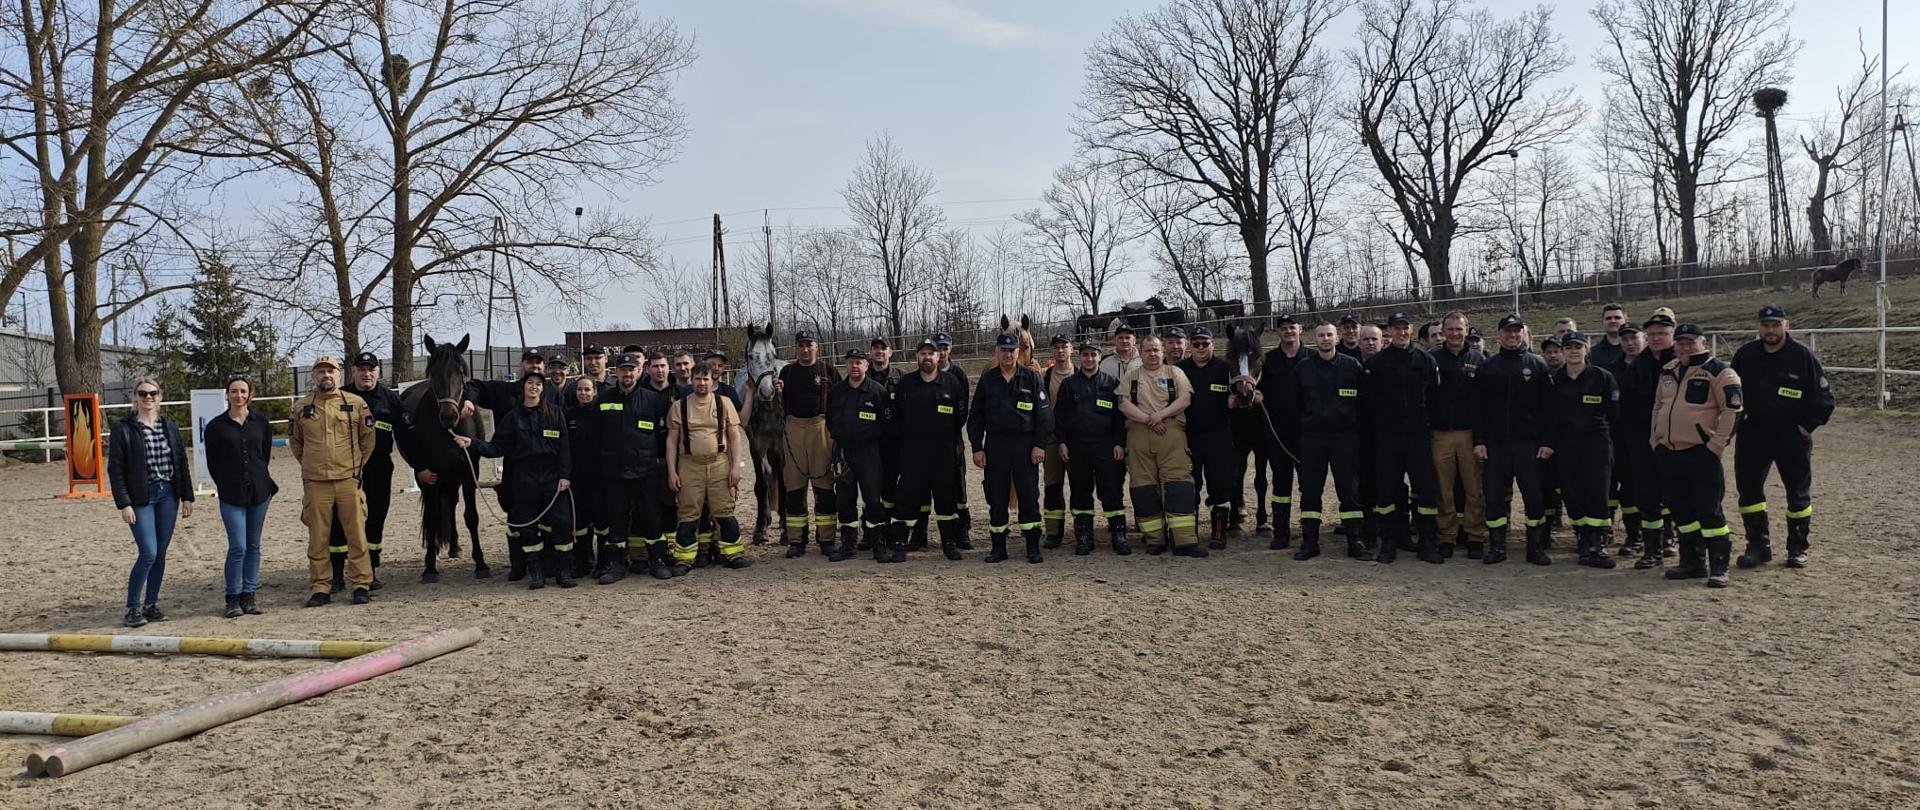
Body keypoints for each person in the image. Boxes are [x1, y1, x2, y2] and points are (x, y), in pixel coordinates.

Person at [1731, 305, 1834, 569]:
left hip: (1791, 437)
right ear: (1758, 327)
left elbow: (1824, 399)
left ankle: (1797, 548)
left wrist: (1805, 427)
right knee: (1749, 491)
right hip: (1753, 434)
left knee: (1797, 494)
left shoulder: (1802, 357)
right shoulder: (1745, 355)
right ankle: (1758, 546)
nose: (1771, 330)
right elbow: (1731, 394)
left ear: (1787, 325)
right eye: (1765, 325)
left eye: (1776, 324)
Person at [466, 371, 575, 589]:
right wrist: (472, 443)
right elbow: (497, 447)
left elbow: (565, 449)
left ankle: (563, 571)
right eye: (530, 383)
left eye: (538, 384)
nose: (533, 387)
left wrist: (565, 476)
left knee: (562, 524)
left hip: (552, 477)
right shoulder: (512, 418)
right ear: (523, 387)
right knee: (528, 527)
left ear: (542, 389)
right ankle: (536, 573)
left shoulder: (555, 414)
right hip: (524, 478)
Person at [1652, 323, 1742, 587]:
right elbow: (1658, 405)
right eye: (1680, 342)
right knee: (1681, 510)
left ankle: (1719, 566)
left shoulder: (1721, 372)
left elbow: (1732, 411)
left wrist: (1716, 445)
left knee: (1709, 511)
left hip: (1700, 454)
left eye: (1691, 342)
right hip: (1670, 452)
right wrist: (1655, 438)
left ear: (1703, 342)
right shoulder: (1668, 371)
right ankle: (1692, 562)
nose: (1685, 346)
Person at [108, 378, 195, 627]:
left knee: (161, 554)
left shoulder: (169, 426)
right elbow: (116, 469)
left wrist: (187, 495)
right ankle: (132, 607)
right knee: (148, 552)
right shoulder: (123, 429)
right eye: (143, 393)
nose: (148, 398)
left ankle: (151, 604)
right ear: (135, 397)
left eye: (153, 393)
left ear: (160, 397)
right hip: (141, 497)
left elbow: (180, 460)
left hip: (168, 493)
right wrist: (123, 503)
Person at [290, 357, 375, 606]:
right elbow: (296, 442)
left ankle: (361, 584)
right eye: (320, 372)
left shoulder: (356, 404)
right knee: (318, 538)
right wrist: (310, 465)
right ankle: (320, 587)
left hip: (348, 480)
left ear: (338, 375)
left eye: (330, 371)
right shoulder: (301, 407)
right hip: (316, 483)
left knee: (357, 535)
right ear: (313, 376)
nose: (326, 375)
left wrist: (355, 468)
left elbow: (367, 441)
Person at [1473, 315, 1555, 566]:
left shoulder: (1537, 365)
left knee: (1534, 497)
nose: (1512, 336)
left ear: (1523, 333)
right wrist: (1479, 441)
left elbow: (1548, 409)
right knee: (1495, 496)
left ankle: (1535, 548)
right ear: (1499, 334)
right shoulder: (1488, 366)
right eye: (1508, 331)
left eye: (1517, 331)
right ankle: (1497, 547)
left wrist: (1547, 441)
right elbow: (1478, 408)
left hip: (1529, 445)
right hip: (1496, 446)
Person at [1365, 313, 1443, 564]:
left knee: (1426, 490)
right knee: (1387, 490)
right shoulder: (1377, 364)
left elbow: (1434, 396)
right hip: (1387, 437)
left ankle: (1427, 543)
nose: (1401, 332)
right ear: (1389, 331)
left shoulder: (1425, 360)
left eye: (1405, 328)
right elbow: (1369, 402)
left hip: (1418, 437)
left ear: (1410, 330)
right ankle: (1389, 542)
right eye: (1396, 328)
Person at [970, 333, 1054, 563]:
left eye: (1012, 350)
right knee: (997, 496)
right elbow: (975, 417)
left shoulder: (1031, 377)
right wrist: (977, 447)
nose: (1008, 355)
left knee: (1028, 495)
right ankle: (998, 548)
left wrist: (1039, 445)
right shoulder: (988, 380)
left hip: (1025, 446)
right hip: (996, 445)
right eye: (1003, 350)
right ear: (997, 352)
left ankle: (1032, 547)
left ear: (1018, 352)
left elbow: (1044, 415)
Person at [1118, 335, 1205, 557]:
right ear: (1141, 352)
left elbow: (1185, 399)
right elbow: (1123, 404)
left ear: (1163, 352)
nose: (1153, 354)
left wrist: (1160, 416)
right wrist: (1148, 420)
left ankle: (1184, 542)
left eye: (1156, 350)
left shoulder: (1175, 373)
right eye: (1148, 351)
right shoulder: (1132, 376)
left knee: (1179, 485)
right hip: (1139, 435)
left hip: (1171, 433)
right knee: (1144, 488)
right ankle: (1155, 540)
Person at [329, 352, 406, 592]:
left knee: (375, 520)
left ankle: (370, 570)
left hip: (380, 469)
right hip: (346, 470)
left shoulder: (390, 399)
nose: (367, 373)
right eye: (361, 368)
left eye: (371, 368)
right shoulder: (340, 396)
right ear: (353, 372)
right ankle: (337, 575)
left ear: (378, 372)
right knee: (340, 521)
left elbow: (409, 430)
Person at [889, 338, 970, 561]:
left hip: (942, 453)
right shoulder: (906, 383)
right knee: (907, 499)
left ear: (939, 357)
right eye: (923, 353)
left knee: (946, 499)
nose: (927, 357)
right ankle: (899, 544)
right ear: (917, 357)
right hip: (913, 454)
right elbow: (896, 417)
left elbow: (960, 415)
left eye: (931, 354)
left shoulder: (951, 383)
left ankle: (949, 543)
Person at [594, 352, 671, 584]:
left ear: (639, 371)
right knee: (616, 519)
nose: (627, 374)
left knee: (651, 517)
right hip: (614, 472)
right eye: (623, 370)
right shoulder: (603, 399)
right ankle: (616, 565)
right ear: (616, 372)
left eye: (632, 369)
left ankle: (657, 561)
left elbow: (661, 435)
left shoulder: (652, 400)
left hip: (645, 469)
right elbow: (595, 436)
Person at [1293, 324, 1368, 560]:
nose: (1325, 339)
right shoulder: (1303, 368)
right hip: (1313, 439)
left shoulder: (1351, 366)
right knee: (1311, 490)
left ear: (1337, 338)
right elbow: (1294, 404)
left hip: (1344, 438)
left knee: (1349, 490)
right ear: (1314, 339)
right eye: (1321, 335)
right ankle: (1310, 542)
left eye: (1329, 335)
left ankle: (1355, 541)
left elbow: (1364, 401)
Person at [204, 375, 276, 618]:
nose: (239, 396)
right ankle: (232, 597)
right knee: (238, 547)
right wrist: (226, 483)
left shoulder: (261, 423)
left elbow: (263, 456)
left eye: (243, 391)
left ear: (250, 394)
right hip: (231, 494)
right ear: (227, 394)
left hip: (259, 491)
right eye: (234, 391)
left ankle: (249, 594)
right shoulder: (215, 426)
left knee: (254, 545)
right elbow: (213, 462)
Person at [668, 364, 751, 571]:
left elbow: (734, 437)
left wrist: (736, 468)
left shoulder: (724, 403)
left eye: (705, 379)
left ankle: (733, 554)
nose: (702, 383)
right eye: (698, 379)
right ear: (692, 380)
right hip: (689, 465)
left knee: (724, 510)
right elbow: (671, 441)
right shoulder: (680, 406)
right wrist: (672, 471)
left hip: (719, 463)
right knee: (688, 512)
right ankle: (684, 559)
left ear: (712, 380)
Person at [1055, 338, 1129, 555]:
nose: (1089, 359)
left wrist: (1119, 443)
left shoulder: (1111, 383)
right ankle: (1084, 535)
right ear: (1080, 357)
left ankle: (1118, 534)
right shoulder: (1069, 385)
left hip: (1106, 446)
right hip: (1077, 446)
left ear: (1099, 356)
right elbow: (1060, 417)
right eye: (1085, 355)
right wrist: (1062, 443)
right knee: (1080, 491)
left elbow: (1119, 417)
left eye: (1093, 354)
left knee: (1111, 489)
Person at [1551, 332, 1620, 568]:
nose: (1573, 351)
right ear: (1562, 351)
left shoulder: (1602, 377)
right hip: (1567, 444)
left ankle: (1597, 543)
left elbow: (1614, 413)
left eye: (1577, 347)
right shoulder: (1555, 380)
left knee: (1597, 491)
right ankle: (1582, 536)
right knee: (1572, 491)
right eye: (1568, 347)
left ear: (1586, 349)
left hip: (1596, 443)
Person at [774, 330, 842, 557]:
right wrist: (776, 391)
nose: (805, 349)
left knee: (824, 485)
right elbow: (775, 405)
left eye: (809, 344)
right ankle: (796, 541)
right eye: (801, 345)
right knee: (794, 487)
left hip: (821, 427)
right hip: (794, 427)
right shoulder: (787, 372)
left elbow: (841, 403)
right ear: (795, 348)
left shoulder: (828, 371)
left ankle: (826, 539)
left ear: (816, 346)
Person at [1430, 311, 1487, 559]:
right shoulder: (1431, 359)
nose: (1454, 333)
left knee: (1474, 488)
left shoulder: (1479, 359)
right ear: (1443, 331)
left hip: (1468, 434)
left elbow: (1487, 403)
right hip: (1440, 434)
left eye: (1459, 329)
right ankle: (1447, 536)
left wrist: (1481, 439)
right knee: (1444, 490)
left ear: (1466, 330)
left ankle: (1475, 535)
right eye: (1450, 329)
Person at [1175, 326, 1239, 548]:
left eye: (1205, 343)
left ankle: (1219, 532)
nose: (1201, 348)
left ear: (1213, 344)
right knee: (1190, 485)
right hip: (1189, 436)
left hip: (1219, 436)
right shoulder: (1179, 370)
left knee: (1220, 484)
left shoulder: (1226, 368)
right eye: (1196, 344)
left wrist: (1235, 400)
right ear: (1190, 346)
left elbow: (1241, 390)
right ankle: (1188, 533)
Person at [1624, 313, 1679, 568]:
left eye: (1662, 333)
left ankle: (1673, 540)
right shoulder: (1637, 366)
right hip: (1642, 441)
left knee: (1675, 493)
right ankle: (1651, 549)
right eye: (1653, 334)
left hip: (1675, 440)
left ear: (1672, 334)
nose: (1656, 338)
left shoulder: (1683, 363)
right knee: (1647, 496)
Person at [827, 348, 891, 562]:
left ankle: (878, 543)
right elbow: (830, 421)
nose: (855, 366)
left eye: (859, 362)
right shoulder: (836, 391)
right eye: (851, 362)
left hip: (869, 453)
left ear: (867, 365)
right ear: (846, 365)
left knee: (873, 500)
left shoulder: (877, 392)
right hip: (844, 452)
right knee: (844, 500)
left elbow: (887, 424)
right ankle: (848, 544)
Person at [1256, 313, 1308, 549]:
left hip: (1308, 433)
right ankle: (1281, 532)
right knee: (1280, 485)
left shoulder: (1313, 358)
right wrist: (1257, 394)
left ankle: (1309, 532)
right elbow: (1258, 386)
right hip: (1278, 433)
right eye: (1283, 328)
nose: (1288, 331)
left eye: (1292, 327)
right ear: (1278, 332)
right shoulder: (1267, 361)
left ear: (1300, 329)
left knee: (1309, 484)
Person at [1604, 324, 1647, 556]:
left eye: (1634, 338)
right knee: (1620, 487)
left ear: (1644, 339)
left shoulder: (1655, 366)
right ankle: (1630, 534)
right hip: (1617, 437)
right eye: (1625, 339)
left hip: (1646, 437)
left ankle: (1657, 535)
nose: (1630, 343)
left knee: (1642, 488)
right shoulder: (1612, 370)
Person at [564, 374, 602, 578]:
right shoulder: (568, 415)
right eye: (580, 390)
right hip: (577, 478)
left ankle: (602, 562)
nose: (584, 393)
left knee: (601, 522)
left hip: (599, 477)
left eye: (588, 390)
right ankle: (583, 561)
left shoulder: (602, 413)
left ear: (595, 392)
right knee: (580, 523)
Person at [1039, 334, 1074, 548]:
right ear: (1052, 350)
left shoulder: (1081, 374)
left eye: (1064, 347)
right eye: (1056, 347)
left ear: (1072, 349)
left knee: (1080, 485)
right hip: (1051, 439)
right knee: (1052, 485)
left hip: (1076, 439)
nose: (1060, 351)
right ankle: (1053, 532)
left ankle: (1082, 529)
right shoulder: (1044, 376)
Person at [1589, 304, 1628, 370]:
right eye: (1608, 318)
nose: (1612, 321)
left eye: (1617, 317)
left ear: (1626, 321)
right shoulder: (1591, 354)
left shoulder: (1636, 350)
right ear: (1602, 323)